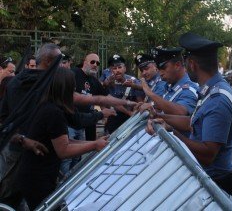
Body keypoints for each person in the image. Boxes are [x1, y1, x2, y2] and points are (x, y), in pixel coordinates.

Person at [146, 33, 232, 201]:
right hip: (209, 179)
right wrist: (162, 117)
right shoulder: (211, 90)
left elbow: (207, 154)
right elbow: (193, 123)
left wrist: (172, 135)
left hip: (216, 185)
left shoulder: (217, 100)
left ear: (191, 64)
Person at [17, 67, 109, 210]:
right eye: (73, 87)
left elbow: (64, 141)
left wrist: (94, 142)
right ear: (66, 88)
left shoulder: (48, 106)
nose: (75, 91)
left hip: (35, 175)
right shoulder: (54, 113)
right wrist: (94, 146)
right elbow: (63, 150)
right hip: (38, 178)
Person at [139, 47, 198, 136]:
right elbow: (166, 106)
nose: (160, 73)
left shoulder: (189, 89)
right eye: (158, 69)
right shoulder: (169, 85)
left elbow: (181, 112)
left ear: (177, 65)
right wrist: (152, 107)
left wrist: (150, 93)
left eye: (163, 68)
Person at [72, 53, 109, 141]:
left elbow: (104, 99)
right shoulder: (74, 73)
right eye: (92, 62)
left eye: (98, 63)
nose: (95, 65)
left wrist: (105, 116)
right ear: (85, 63)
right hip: (72, 121)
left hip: (88, 119)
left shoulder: (94, 81)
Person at [104, 54, 145, 134]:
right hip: (114, 116)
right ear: (111, 70)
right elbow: (108, 102)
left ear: (125, 68)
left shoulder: (133, 81)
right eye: (114, 68)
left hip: (130, 117)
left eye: (119, 67)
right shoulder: (109, 82)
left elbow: (140, 101)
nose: (117, 70)